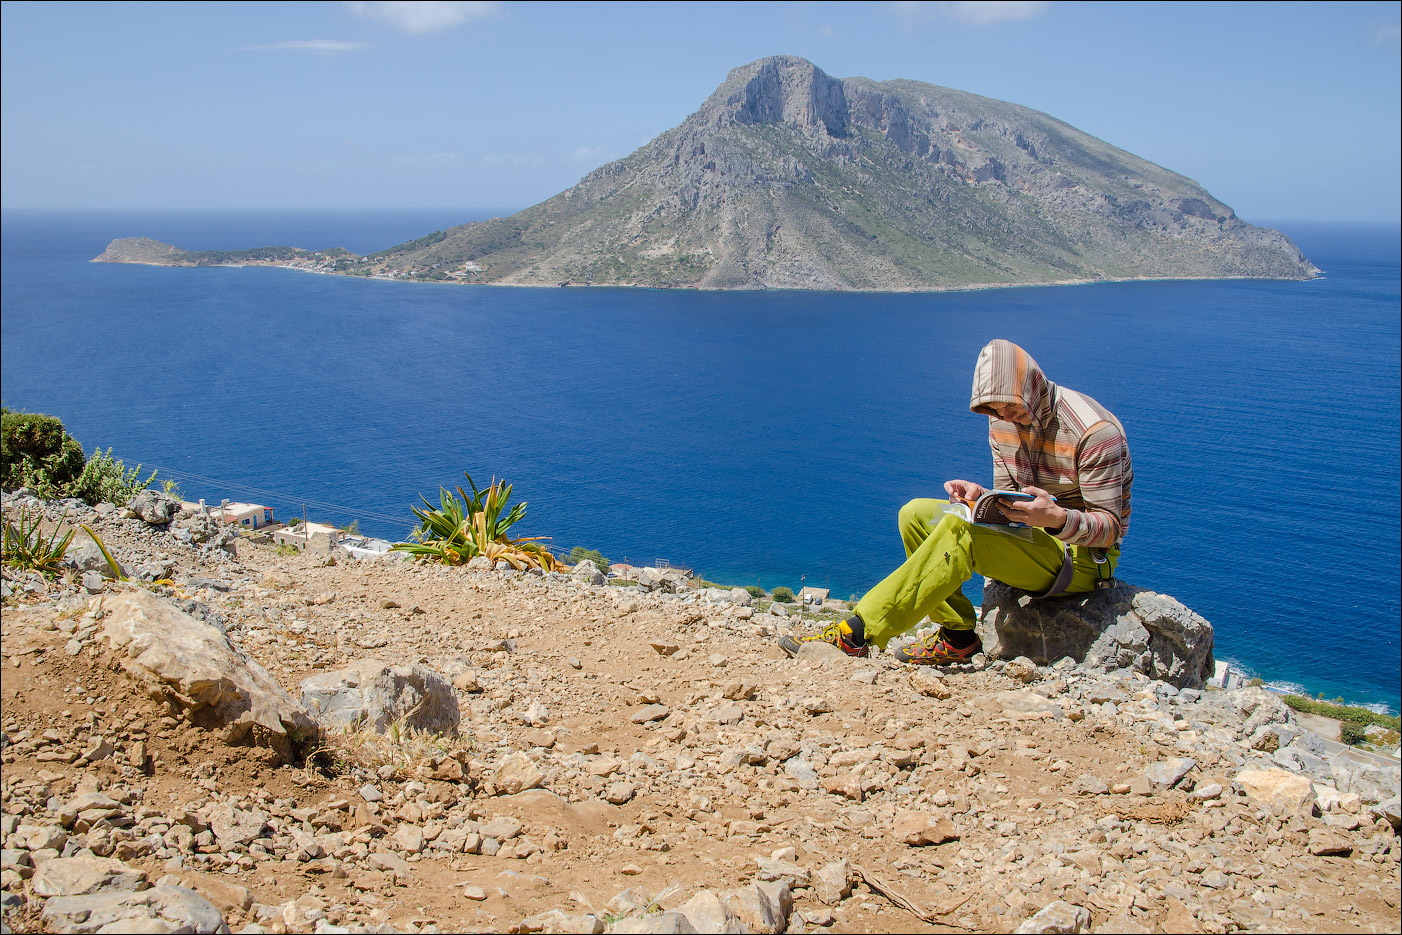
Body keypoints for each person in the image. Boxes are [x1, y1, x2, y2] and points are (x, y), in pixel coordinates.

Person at [779, 338, 1132, 664]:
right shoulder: (1002, 422)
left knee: (958, 533)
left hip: (1082, 562)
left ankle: (858, 633)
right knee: (915, 513)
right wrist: (982, 499)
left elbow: (1109, 530)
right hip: (1033, 541)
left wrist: (1055, 518)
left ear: (1030, 387)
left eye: (1009, 407)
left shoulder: (1094, 432)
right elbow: (1009, 505)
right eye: (993, 410)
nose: (1005, 417)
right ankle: (957, 635)